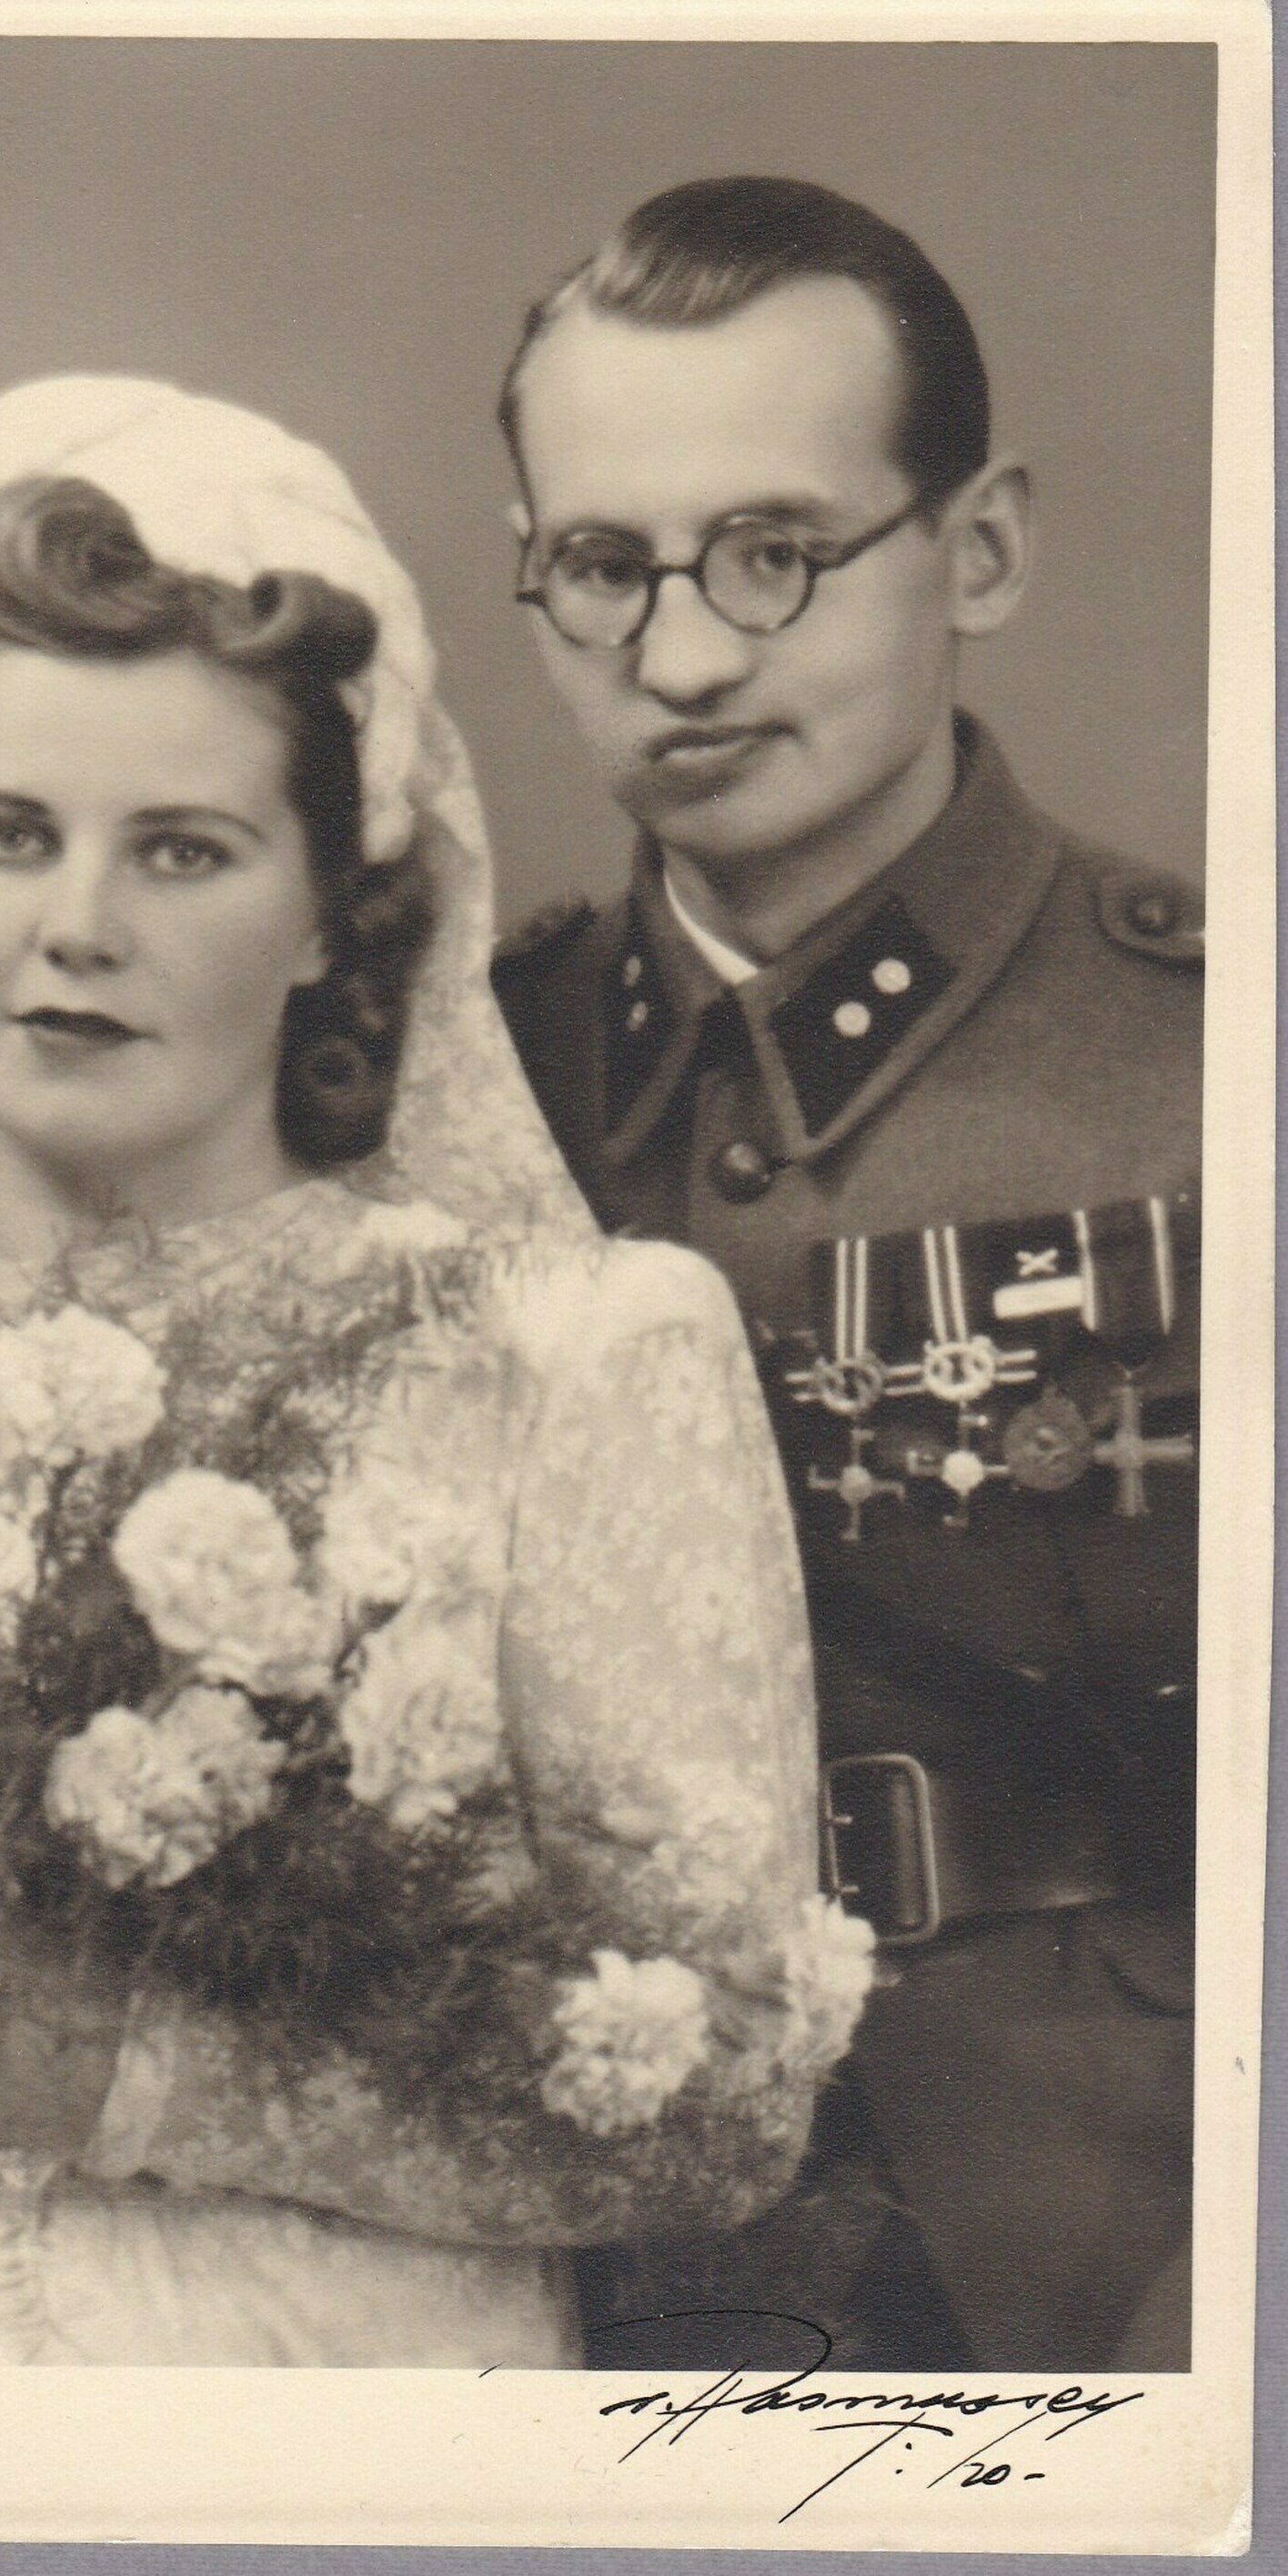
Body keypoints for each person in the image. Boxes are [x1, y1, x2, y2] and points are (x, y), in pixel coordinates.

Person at [0, 376, 873, 2367]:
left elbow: (726, 2099)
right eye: (7, 836)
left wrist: (131, 2076)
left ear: (329, 917)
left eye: (185, 853)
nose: (76, 930)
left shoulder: (566, 1360)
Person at [491, 178, 1199, 2372]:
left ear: (978, 551)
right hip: (548, 2272)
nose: (685, 656)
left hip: (1100, 2263)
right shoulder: (457, 1085)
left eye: (776, 552)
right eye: (603, 570)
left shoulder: (1207, 1060)